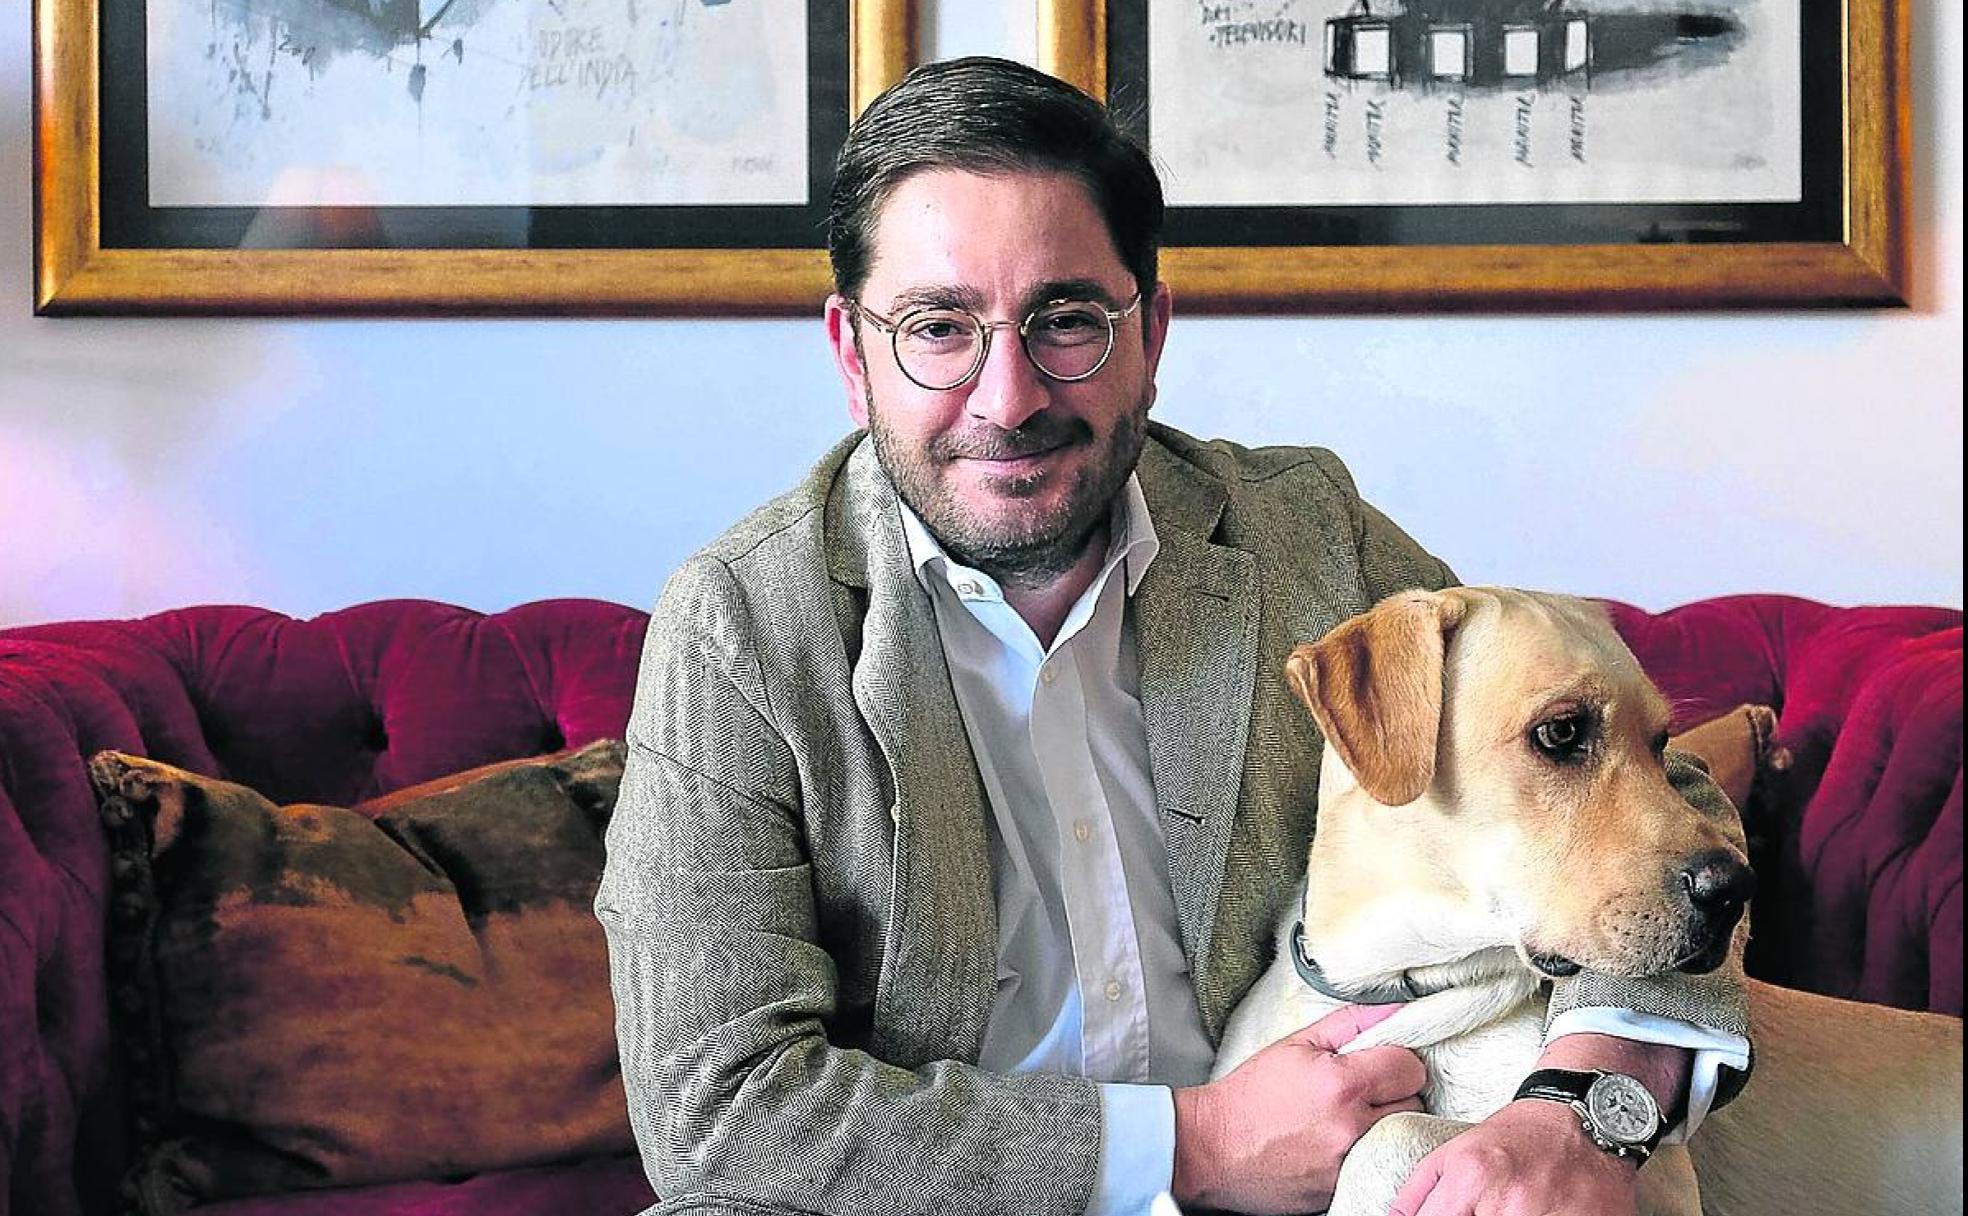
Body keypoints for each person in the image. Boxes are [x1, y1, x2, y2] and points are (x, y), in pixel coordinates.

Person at [595, 56, 1750, 1216]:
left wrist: (1588, 1101)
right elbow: (717, 1104)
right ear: (852, 354)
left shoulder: (1307, 535)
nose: (1008, 397)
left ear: (1150, 331)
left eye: (1067, 320)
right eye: (940, 327)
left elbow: (1652, 793)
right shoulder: (738, 627)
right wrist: (1185, 1146)